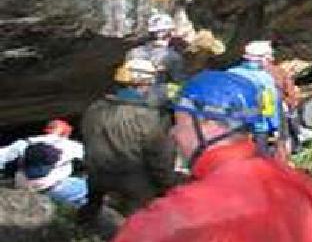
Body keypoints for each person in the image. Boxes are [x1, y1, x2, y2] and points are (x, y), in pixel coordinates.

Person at [105, 71, 312, 242]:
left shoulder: (196, 204)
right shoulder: (295, 181)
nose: (174, 134)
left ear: (209, 124)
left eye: (179, 122)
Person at [79, 59, 176, 221]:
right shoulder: (148, 116)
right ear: (144, 84)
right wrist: (168, 186)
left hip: (97, 178)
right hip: (135, 184)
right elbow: (159, 158)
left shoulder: (94, 108)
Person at [0, 119, 87, 207]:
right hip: (54, 187)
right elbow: (90, 158)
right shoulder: (71, 145)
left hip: (23, 185)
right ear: (66, 133)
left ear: (46, 130)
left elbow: (1, 157)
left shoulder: (24, 142)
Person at [228, 40, 286, 157]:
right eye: (269, 57)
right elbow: (270, 109)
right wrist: (275, 128)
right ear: (261, 58)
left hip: (232, 127)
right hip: (258, 128)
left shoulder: (230, 73)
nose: (271, 60)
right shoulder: (265, 79)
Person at [128, 13, 186, 87]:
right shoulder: (172, 56)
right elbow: (179, 82)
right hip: (155, 95)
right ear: (169, 33)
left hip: (129, 95)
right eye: (172, 31)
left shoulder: (132, 52)